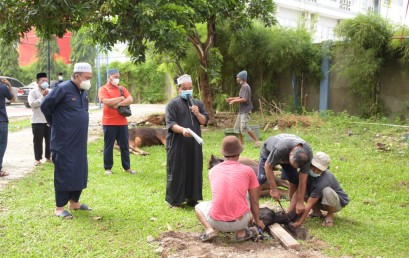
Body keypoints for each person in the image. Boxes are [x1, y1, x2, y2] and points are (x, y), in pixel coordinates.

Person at [40, 62, 93, 219]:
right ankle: (59, 207)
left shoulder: (82, 91)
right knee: (64, 170)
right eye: (86, 78)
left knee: (79, 170)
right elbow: (45, 106)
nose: (88, 81)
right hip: (64, 140)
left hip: (79, 141)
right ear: (76, 76)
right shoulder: (62, 89)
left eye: (90, 78)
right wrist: (55, 122)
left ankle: (74, 202)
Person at [195, 136, 265, 242]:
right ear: (239, 153)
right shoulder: (248, 170)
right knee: (245, 196)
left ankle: (209, 229)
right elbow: (254, 201)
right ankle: (241, 233)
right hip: (240, 222)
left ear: (223, 153)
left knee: (198, 207)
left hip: (216, 222)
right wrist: (258, 220)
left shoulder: (212, 171)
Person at [165, 74, 208, 208]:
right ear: (179, 89)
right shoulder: (172, 104)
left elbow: (204, 121)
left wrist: (197, 113)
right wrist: (182, 130)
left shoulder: (198, 103)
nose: (188, 90)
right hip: (178, 144)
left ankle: (192, 198)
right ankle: (175, 201)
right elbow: (171, 124)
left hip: (194, 144)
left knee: (194, 169)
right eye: (185, 88)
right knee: (177, 170)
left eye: (190, 88)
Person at [289, 152, 349, 228]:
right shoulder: (304, 173)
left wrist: (299, 222)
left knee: (327, 191)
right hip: (319, 200)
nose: (315, 171)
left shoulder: (324, 180)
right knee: (302, 190)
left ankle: (330, 215)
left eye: (319, 170)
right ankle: (316, 212)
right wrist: (289, 211)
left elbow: (310, 203)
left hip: (335, 203)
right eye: (314, 167)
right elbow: (298, 192)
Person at [258, 133, 313, 214]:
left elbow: (303, 180)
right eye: (292, 164)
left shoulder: (307, 154)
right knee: (261, 179)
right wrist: (274, 189)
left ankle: (291, 210)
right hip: (269, 152)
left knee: (294, 180)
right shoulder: (280, 148)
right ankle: (255, 206)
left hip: (288, 154)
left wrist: (300, 201)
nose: (292, 167)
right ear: (290, 155)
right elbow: (268, 166)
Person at [98, 68, 136, 175]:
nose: (117, 79)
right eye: (115, 76)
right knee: (108, 146)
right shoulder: (103, 89)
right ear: (109, 77)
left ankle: (127, 167)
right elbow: (106, 102)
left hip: (122, 122)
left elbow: (130, 99)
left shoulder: (121, 88)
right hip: (109, 123)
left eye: (118, 77)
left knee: (124, 145)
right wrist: (121, 98)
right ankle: (108, 168)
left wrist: (118, 103)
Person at [226, 70, 260, 147]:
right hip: (242, 111)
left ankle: (257, 141)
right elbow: (240, 97)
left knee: (244, 126)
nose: (237, 79)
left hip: (246, 110)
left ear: (242, 78)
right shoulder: (243, 86)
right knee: (237, 128)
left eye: (238, 77)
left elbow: (245, 99)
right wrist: (232, 98)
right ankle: (241, 144)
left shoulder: (246, 86)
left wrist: (234, 101)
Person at [28, 72, 51, 166]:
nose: (45, 82)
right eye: (43, 81)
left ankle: (48, 157)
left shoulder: (50, 91)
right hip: (37, 120)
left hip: (48, 120)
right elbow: (32, 104)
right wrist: (43, 96)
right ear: (38, 82)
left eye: (46, 80)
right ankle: (37, 159)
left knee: (49, 140)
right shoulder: (33, 92)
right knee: (38, 141)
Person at [0, 77, 15, 177]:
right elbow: (13, 99)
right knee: (1, 145)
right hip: (1, 120)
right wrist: (9, 85)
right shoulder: (3, 87)